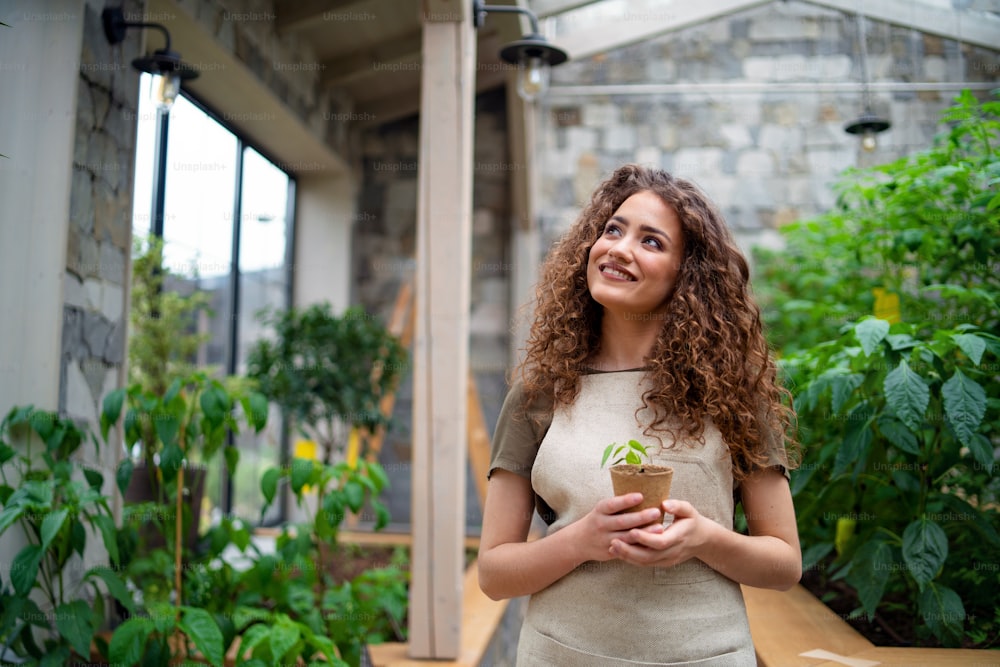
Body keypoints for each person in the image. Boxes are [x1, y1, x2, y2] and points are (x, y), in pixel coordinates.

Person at [478, 164, 801, 665]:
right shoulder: (539, 393)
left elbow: (783, 563)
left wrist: (703, 539)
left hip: (706, 655)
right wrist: (582, 540)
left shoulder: (732, 391)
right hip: (563, 655)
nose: (619, 248)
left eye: (651, 242)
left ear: (687, 274)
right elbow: (495, 574)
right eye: (612, 229)